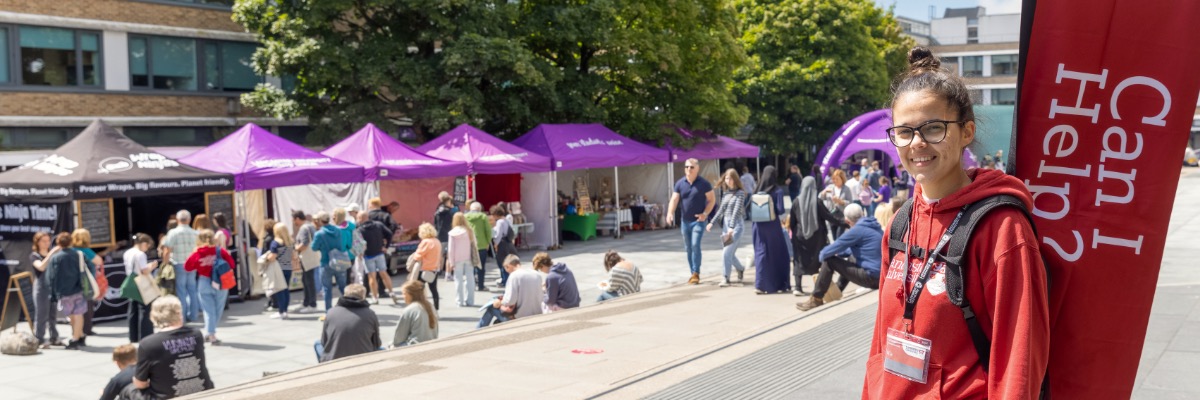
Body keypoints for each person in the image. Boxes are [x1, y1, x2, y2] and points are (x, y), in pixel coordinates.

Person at [862, 46, 1048, 398]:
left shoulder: (1002, 228)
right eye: (904, 131)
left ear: (966, 132)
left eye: (933, 128)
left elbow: (1019, 357)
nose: (917, 143)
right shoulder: (899, 224)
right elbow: (880, 345)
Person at [796, 203, 882, 311]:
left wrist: (823, 260)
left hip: (872, 278)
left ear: (847, 221)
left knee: (829, 261)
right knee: (851, 258)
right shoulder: (873, 226)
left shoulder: (857, 230)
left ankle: (816, 299)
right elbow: (853, 250)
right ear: (862, 214)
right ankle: (838, 290)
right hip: (882, 277)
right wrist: (839, 254)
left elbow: (826, 252)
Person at [128, 295, 214, 398]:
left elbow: (140, 383)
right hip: (203, 392)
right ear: (179, 313)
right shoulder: (196, 334)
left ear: (154, 316)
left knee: (128, 390)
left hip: (167, 396)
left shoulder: (148, 344)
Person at [790, 176, 848, 296]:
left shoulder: (796, 201)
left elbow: (792, 221)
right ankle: (818, 287)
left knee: (799, 260)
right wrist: (844, 223)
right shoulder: (817, 202)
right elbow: (828, 217)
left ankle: (797, 287)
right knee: (818, 261)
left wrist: (795, 234)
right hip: (817, 238)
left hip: (800, 236)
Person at [667, 158, 715, 285]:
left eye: (691, 167)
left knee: (695, 245)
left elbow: (712, 200)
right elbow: (674, 199)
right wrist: (669, 213)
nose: (688, 169)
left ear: (697, 169)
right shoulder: (680, 183)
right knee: (688, 248)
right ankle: (692, 273)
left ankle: (696, 273)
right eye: (686, 167)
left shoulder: (704, 183)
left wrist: (705, 214)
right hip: (685, 222)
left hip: (698, 221)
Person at [185, 229, 234, 345]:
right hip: (221, 282)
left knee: (208, 311)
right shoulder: (219, 251)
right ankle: (211, 333)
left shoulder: (197, 253)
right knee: (218, 309)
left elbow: (187, 267)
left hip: (204, 281)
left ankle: (210, 332)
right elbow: (232, 264)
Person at [750, 166, 791, 294]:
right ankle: (778, 284)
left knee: (761, 252)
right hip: (772, 226)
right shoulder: (777, 191)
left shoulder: (757, 189)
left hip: (757, 225)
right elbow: (780, 210)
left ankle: (760, 284)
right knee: (777, 254)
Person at [315, 284, 381, 362]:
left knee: (317, 344)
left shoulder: (331, 312)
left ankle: (322, 367)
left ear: (345, 295)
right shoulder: (370, 314)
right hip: (363, 359)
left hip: (334, 360)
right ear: (363, 297)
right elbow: (377, 343)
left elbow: (324, 342)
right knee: (383, 350)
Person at [707, 168, 748, 287]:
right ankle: (740, 268)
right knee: (729, 253)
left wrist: (731, 227)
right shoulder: (726, 194)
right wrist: (711, 222)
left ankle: (725, 278)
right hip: (726, 226)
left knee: (726, 252)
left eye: (729, 178)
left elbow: (736, 211)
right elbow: (721, 210)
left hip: (736, 227)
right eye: (726, 178)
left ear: (735, 179)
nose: (727, 180)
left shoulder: (740, 193)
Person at [46, 233, 88, 349]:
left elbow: (51, 276)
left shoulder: (56, 257)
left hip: (64, 291)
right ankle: (78, 336)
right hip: (78, 288)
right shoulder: (78, 254)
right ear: (71, 242)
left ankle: (76, 337)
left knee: (72, 315)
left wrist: (53, 292)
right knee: (78, 314)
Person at [477, 255, 543, 327]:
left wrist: (499, 302)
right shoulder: (536, 274)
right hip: (537, 314)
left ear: (508, 266)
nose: (507, 272)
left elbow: (510, 301)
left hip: (521, 317)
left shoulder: (514, 276)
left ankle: (477, 332)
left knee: (491, 309)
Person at [161, 210, 200, 323]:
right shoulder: (195, 233)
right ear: (189, 219)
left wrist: (165, 264)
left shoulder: (173, 233)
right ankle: (193, 315)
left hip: (179, 263)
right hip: (192, 264)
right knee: (192, 290)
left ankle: (182, 317)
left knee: (181, 291)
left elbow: (167, 250)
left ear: (177, 220)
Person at [124, 233, 159, 342]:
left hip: (131, 281)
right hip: (140, 282)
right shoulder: (140, 254)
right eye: (147, 245)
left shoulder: (127, 252)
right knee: (145, 310)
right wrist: (152, 266)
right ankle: (145, 336)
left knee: (133, 310)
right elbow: (144, 271)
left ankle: (133, 336)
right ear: (143, 243)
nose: (147, 248)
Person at [30, 231, 62, 348]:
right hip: (41, 288)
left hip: (52, 287)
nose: (47, 243)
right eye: (43, 241)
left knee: (53, 315)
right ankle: (39, 339)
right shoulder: (34, 256)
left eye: (48, 241)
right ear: (37, 242)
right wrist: (52, 253)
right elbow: (41, 267)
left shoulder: (53, 255)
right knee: (41, 314)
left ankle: (54, 337)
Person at [311, 212, 348, 313]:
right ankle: (349, 308)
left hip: (326, 262)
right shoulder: (339, 230)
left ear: (319, 221)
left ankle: (329, 312)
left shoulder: (319, 234)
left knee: (327, 289)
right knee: (343, 287)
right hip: (340, 261)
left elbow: (313, 248)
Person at [71, 229, 105, 336]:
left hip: (73, 282)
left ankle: (77, 330)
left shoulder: (71, 250)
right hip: (86, 282)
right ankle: (86, 329)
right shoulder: (85, 250)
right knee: (87, 307)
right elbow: (98, 260)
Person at [356, 212, 394, 304]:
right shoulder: (378, 225)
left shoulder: (359, 230)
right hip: (380, 253)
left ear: (361, 218)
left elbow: (358, 244)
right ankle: (391, 292)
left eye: (357, 218)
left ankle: (375, 298)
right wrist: (386, 246)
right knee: (384, 273)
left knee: (372, 277)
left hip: (368, 255)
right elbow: (389, 234)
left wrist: (360, 254)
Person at [391, 280, 438, 347]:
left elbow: (398, 339)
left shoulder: (410, 310)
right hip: (431, 343)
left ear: (410, 294)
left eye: (404, 294)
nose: (403, 297)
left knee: (391, 346)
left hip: (415, 346)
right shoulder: (430, 306)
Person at [446, 212, 477, 307]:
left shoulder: (452, 233)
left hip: (457, 259)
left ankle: (460, 301)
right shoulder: (469, 231)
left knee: (458, 280)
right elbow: (474, 244)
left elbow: (451, 249)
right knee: (470, 279)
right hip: (469, 257)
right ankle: (470, 301)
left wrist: (451, 262)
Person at [409, 223, 443, 310]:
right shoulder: (437, 241)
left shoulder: (425, 242)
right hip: (434, 269)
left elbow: (418, 256)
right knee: (434, 290)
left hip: (423, 270)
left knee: (419, 291)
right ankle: (436, 309)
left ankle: (421, 308)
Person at [265, 222, 294, 319]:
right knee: (286, 290)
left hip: (278, 269)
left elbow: (273, 257)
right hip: (288, 267)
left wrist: (267, 258)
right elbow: (293, 256)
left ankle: (281, 311)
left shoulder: (276, 243)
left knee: (279, 290)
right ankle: (285, 310)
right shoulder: (290, 242)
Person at [292, 210, 319, 313]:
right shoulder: (310, 226)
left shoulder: (304, 228)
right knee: (306, 280)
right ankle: (307, 302)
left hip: (307, 258)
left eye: (294, 220)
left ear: (298, 219)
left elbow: (304, 244)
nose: (294, 222)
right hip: (312, 257)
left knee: (308, 281)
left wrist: (295, 249)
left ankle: (312, 304)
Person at [465, 201, 493, 292]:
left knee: (470, 267)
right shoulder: (483, 217)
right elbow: (488, 230)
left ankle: (471, 286)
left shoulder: (465, 217)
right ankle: (481, 286)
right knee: (481, 267)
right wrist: (488, 241)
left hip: (469, 245)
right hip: (481, 245)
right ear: (479, 209)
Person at [819, 169, 853, 238]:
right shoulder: (830, 187)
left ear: (842, 179)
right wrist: (823, 193)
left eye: (837, 179)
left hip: (842, 216)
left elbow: (850, 202)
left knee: (839, 236)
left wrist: (841, 201)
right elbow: (820, 198)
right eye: (834, 179)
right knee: (834, 236)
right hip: (832, 215)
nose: (835, 181)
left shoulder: (846, 189)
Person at [491, 204, 517, 289]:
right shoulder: (506, 220)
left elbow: (498, 234)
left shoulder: (499, 222)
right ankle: (509, 281)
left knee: (502, 263)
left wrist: (495, 244)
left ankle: (505, 281)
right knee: (509, 262)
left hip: (502, 244)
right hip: (508, 243)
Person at [257, 219, 277, 313]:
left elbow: (264, 252)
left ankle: (273, 302)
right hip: (273, 263)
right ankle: (272, 302)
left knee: (269, 284)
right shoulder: (275, 238)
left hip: (268, 263)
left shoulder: (268, 239)